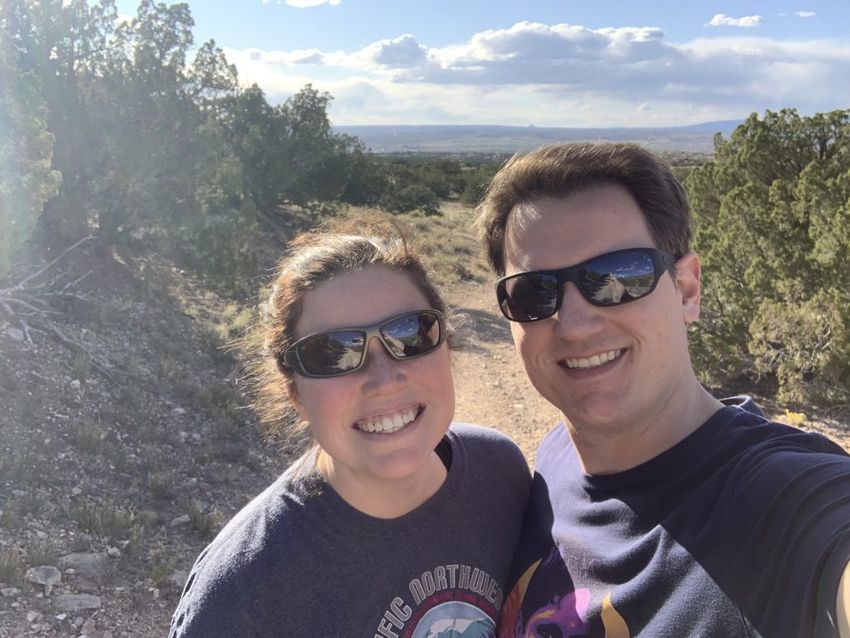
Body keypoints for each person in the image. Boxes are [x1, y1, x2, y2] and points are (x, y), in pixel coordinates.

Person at [474, 143, 850, 637]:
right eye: (533, 292)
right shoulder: (554, 461)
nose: (576, 325)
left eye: (618, 277)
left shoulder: (781, 499)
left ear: (686, 289)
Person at [169, 218, 531, 637]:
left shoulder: (499, 471)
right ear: (297, 395)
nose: (383, 379)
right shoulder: (245, 589)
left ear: (446, 345)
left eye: (410, 335)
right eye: (334, 353)